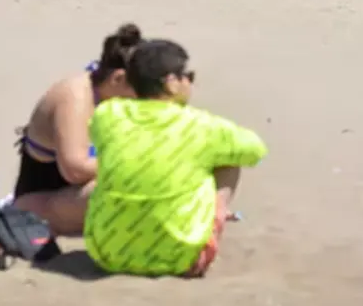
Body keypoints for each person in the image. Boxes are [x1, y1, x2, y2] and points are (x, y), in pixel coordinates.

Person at [84, 39, 267, 277]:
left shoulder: (107, 115)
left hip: (107, 254)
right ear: (170, 82)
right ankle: (216, 218)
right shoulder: (202, 125)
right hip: (182, 258)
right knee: (228, 158)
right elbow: (255, 150)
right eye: (187, 75)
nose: (190, 82)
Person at [11, 24, 140, 235]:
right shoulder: (76, 96)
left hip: (82, 194)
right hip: (42, 202)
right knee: (121, 187)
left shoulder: (116, 98)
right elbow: (75, 170)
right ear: (117, 79)